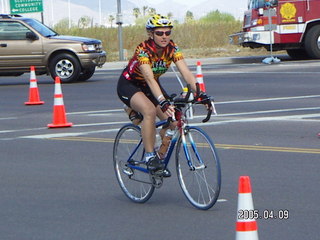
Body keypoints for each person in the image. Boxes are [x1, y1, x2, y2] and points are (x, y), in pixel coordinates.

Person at [117, 14, 212, 177]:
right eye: (160, 33)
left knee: (173, 121)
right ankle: (149, 156)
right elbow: (148, 78)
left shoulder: (173, 49)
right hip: (130, 85)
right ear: (151, 34)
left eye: (167, 33)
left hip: (151, 86)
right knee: (149, 111)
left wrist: (201, 94)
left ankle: (160, 157)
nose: (164, 37)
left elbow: (186, 73)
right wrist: (162, 102)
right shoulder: (143, 50)